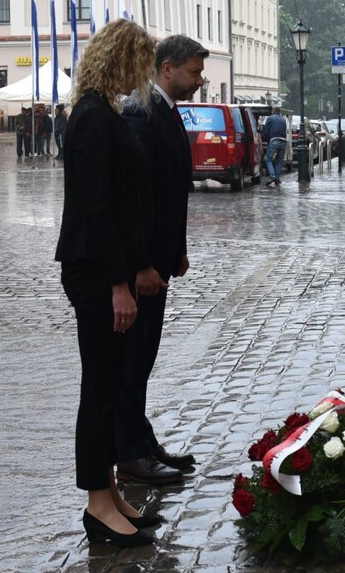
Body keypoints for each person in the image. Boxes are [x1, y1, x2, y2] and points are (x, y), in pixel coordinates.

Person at [54, 18, 159, 548]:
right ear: (120, 58)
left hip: (106, 273)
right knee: (98, 391)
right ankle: (97, 503)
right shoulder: (93, 117)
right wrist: (120, 283)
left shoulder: (103, 111)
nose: (140, 76)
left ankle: (110, 491)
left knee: (111, 385)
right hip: (97, 276)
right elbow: (95, 209)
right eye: (138, 64)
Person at [116, 35, 208, 484]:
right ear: (167, 69)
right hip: (142, 269)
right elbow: (137, 199)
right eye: (193, 72)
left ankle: (141, 439)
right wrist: (143, 265)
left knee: (145, 356)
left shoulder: (163, 110)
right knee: (132, 360)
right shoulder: (140, 114)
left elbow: (173, 189)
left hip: (160, 261)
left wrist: (178, 249)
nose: (199, 79)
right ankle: (129, 453)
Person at [262, 107, 286, 186]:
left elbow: (266, 131)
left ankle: (272, 176)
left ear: (273, 112)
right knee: (280, 161)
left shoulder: (270, 118)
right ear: (279, 112)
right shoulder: (283, 120)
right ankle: (277, 178)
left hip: (274, 140)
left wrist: (268, 141)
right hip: (283, 141)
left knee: (268, 159)